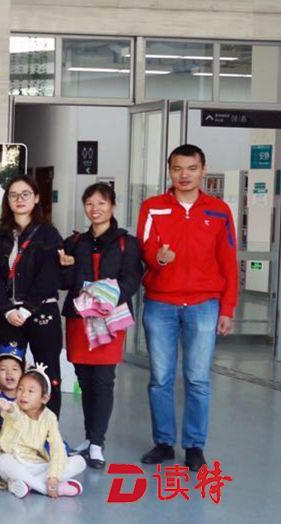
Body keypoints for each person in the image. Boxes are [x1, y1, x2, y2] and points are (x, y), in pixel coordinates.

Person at [136, 144, 236, 472]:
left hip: (204, 305)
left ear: (203, 170)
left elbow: (228, 261)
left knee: (198, 379)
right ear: (169, 171)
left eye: (191, 168)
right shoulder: (153, 207)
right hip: (160, 303)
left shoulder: (219, 211)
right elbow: (144, 248)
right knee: (160, 378)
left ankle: (194, 446)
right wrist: (158, 258)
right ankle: (164, 442)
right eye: (178, 168)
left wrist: (227, 308)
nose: (184, 175)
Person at [60, 182, 141, 470]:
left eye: (101, 203)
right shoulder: (74, 242)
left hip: (109, 318)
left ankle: (97, 442)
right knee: (84, 379)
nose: (95, 209)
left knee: (104, 379)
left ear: (113, 206)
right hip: (79, 318)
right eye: (89, 203)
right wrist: (66, 266)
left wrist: (103, 298)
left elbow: (132, 280)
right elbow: (63, 282)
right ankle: (89, 437)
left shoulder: (127, 243)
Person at [0, 175, 63, 415]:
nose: (19, 199)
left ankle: (46, 430)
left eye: (25, 194)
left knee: (46, 373)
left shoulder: (48, 234)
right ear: (7, 201)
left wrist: (27, 308)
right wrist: (7, 310)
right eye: (13, 195)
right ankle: (6, 426)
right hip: (8, 314)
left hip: (42, 311)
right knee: (7, 373)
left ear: (36, 198)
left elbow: (49, 274)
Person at [0, 365, 87, 498]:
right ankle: (44, 488)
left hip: (36, 465)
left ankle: (26, 485)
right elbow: (13, 414)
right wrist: (8, 408)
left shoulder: (49, 418)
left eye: (31, 391)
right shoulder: (14, 407)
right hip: (14, 464)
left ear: (44, 398)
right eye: (20, 389)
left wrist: (53, 477)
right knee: (3, 460)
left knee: (79, 461)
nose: (24, 394)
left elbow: (57, 447)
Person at [0, 346, 24, 434]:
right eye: (3, 369)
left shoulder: (26, 397)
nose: (9, 373)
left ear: (23, 375)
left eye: (15, 369)